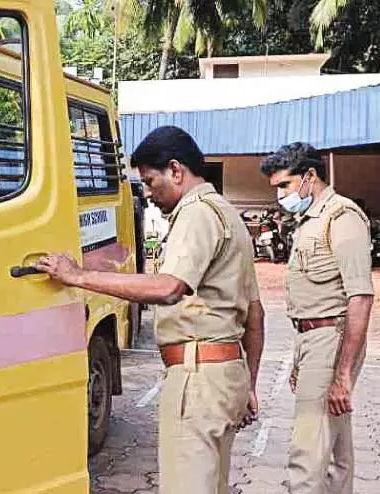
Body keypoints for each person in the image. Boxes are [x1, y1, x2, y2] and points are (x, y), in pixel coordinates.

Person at [36, 126, 265, 494]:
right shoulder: (226, 213)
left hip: (198, 376)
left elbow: (169, 287)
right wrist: (248, 383)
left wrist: (77, 276)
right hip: (225, 373)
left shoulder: (196, 214)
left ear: (176, 170)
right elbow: (255, 315)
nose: (147, 194)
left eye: (150, 181)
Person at [260, 142, 373, 494]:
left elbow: (360, 297)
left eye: (285, 185)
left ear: (310, 176)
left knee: (306, 456)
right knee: (336, 453)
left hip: (330, 342)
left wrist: (341, 375)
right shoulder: (310, 221)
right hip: (314, 339)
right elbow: (311, 303)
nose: (281, 195)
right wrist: (299, 358)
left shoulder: (342, 217)